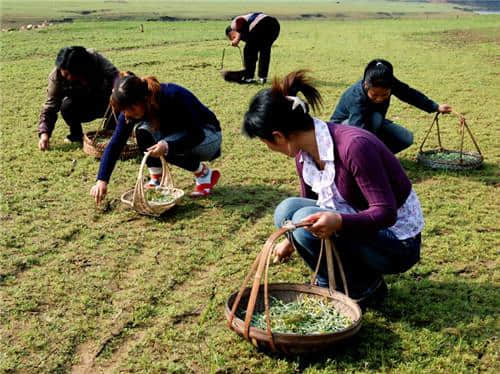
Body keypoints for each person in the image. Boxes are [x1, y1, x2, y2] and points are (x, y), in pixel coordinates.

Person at [243, 70, 424, 307]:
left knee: (303, 218)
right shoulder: (303, 155)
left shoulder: (354, 147)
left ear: (278, 136)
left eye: (264, 141)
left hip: (397, 242)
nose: (267, 147)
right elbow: (310, 202)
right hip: (361, 227)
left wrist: (339, 222)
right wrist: (291, 239)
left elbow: (386, 213)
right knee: (287, 211)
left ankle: (366, 289)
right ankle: (329, 279)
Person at [90, 72, 222, 204]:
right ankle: (156, 179)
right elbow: (115, 144)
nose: (127, 114)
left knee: (164, 148)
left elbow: (197, 134)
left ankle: (204, 174)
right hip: (179, 136)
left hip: (208, 136)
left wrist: (168, 145)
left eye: (130, 108)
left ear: (143, 98)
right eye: (123, 110)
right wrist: (102, 180)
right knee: (142, 131)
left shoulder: (173, 96)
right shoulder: (130, 111)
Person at [330, 59, 452, 154]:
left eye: (384, 95)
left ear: (390, 87)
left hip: (371, 124)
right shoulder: (356, 97)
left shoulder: (390, 83)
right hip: (343, 129)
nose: (379, 99)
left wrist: (435, 107)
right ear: (366, 85)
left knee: (405, 138)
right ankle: (356, 157)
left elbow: (410, 94)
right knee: (375, 119)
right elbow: (358, 131)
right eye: (374, 95)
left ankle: (379, 155)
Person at [38, 46, 119, 151]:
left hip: (105, 101)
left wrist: (116, 89)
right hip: (80, 105)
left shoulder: (94, 59)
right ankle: (76, 135)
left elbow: (116, 76)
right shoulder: (56, 76)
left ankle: (110, 131)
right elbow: (50, 107)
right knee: (66, 106)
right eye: (65, 73)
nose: (66, 77)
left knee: (119, 96)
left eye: (69, 74)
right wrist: (44, 134)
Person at [225, 12, 280, 84]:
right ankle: (262, 78)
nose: (233, 39)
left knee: (248, 50)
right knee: (264, 50)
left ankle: (248, 77)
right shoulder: (247, 32)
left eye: (232, 37)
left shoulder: (233, 24)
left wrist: (236, 39)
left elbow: (240, 20)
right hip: (274, 25)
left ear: (231, 31)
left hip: (262, 23)